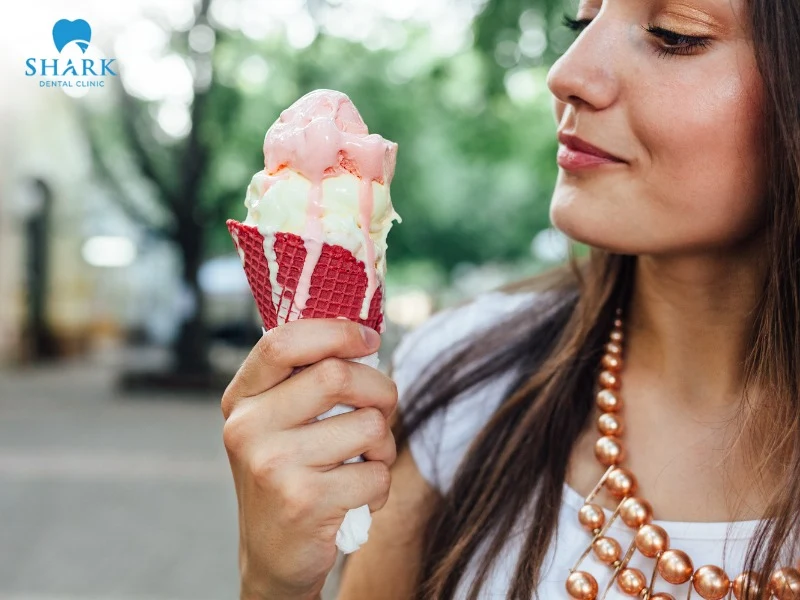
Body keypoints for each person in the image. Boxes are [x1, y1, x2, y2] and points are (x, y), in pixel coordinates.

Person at [220, 0, 800, 597]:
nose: (566, 74)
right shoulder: (463, 382)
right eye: (583, 20)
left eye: (672, 34)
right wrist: (273, 581)